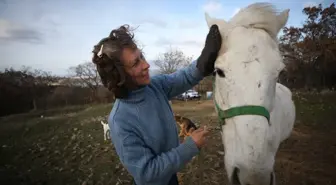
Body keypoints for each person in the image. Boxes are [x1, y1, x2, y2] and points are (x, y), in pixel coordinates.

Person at [91, 24, 222, 185]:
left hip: (170, 176)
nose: (146, 65)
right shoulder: (120, 120)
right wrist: (191, 146)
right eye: (135, 63)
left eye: (142, 57)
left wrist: (204, 61)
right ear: (119, 77)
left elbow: (185, 77)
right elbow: (147, 174)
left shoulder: (154, 86)